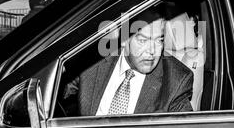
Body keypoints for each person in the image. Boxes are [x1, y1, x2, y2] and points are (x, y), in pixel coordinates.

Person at [66, 8, 194, 116]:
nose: (152, 51)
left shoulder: (176, 80)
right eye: (143, 41)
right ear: (124, 39)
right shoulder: (92, 62)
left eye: (159, 40)